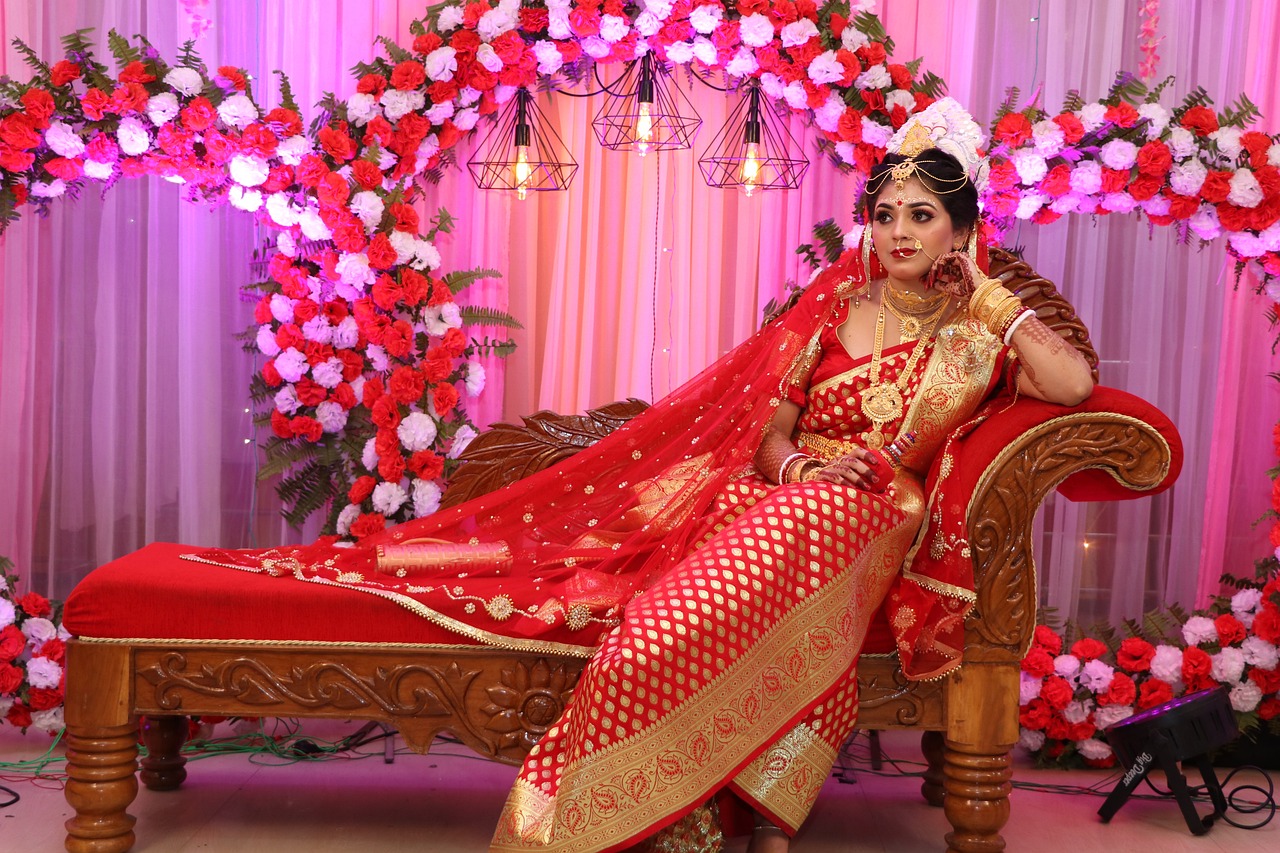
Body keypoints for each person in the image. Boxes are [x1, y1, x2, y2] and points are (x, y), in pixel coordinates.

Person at [192, 98, 1094, 852]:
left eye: (922, 215)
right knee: (631, 604)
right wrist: (805, 463)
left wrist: (988, 295)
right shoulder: (834, 306)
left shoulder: (984, 331)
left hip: (871, 515)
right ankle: (694, 795)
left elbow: (1075, 384)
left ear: (963, 227)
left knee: (657, 630)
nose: (897, 232)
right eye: (886, 212)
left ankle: (580, 813)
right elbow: (770, 437)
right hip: (780, 499)